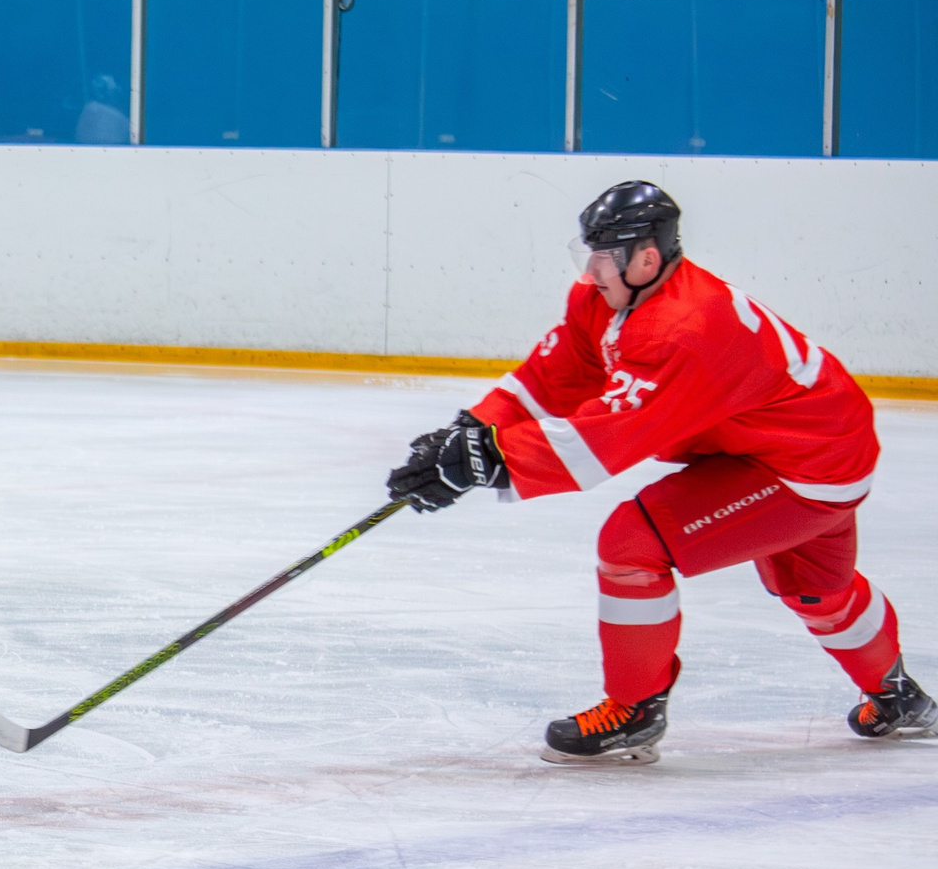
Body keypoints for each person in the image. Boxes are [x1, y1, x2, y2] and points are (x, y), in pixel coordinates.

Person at [387, 180, 931, 763]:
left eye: (604, 256)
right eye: (587, 253)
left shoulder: (682, 328)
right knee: (818, 591)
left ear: (646, 258)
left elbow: (603, 439)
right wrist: (472, 429)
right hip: (811, 440)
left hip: (808, 464)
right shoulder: (608, 297)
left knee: (631, 545)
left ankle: (635, 709)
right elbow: (558, 374)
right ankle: (898, 695)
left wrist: (486, 460)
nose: (590, 271)